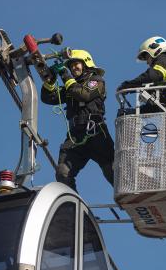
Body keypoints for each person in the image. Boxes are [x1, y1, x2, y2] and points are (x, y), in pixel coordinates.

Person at [41, 48, 114, 191]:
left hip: (96, 131)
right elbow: (48, 98)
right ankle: (72, 207)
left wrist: (64, 74)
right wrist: (51, 79)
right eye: (70, 65)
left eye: (76, 64)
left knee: (113, 171)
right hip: (75, 136)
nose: (73, 67)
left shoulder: (96, 81)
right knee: (62, 172)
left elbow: (83, 95)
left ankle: (129, 200)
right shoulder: (70, 86)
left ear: (86, 63)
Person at [117, 36, 166, 112]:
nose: (147, 62)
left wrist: (129, 85)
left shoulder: (164, 59)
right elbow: (156, 105)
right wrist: (134, 112)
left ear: (155, 50)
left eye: (147, 57)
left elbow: (152, 76)